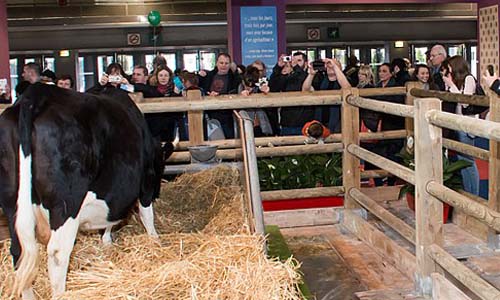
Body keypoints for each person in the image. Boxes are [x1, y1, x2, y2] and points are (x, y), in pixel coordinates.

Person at [441, 55, 480, 195]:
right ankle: (467, 192)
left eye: (450, 67)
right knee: (461, 161)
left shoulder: (468, 79)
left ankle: (473, 193)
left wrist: (451, 85)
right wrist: (449, 85)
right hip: (457, 124)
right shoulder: (456, 81)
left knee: (468, 161)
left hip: (467, 126)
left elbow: (465, 102)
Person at [198, 53, 242, 139]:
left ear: (230, 64)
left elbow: (238, 89)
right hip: (210, 113)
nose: (223, 65)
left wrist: (236, 72)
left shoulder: (234, 78)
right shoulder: (208, 76)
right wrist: (208, 93)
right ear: (217, 63)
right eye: (221, 63)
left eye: (226, 63)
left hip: (227, 114)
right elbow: (201, 90)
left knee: (229, 139)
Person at [302, 58, 351, 133]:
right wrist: (311, 74)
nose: (330, 67)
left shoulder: (345, 80)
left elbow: (347, 89)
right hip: (320, 123)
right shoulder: (320, 80)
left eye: (332, 65)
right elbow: (305, 90)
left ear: (340, 68)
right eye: (328, 65)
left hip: (339, 124)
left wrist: (334, 66)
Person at [273, 52, 309, 135]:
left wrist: (296, 67)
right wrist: (278, 67)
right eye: (293, 60)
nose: (295, 63)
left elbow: (303, 80)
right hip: (286, 123)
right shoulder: (287, 78)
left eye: (299, 61)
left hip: (304, 123)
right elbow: (274, 86)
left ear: (306, 63)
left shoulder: (309, 76)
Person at [238, 65, 273, 137]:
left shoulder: (259, 90)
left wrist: (266, 93)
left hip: (260, 126)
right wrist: (240, 97)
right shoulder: (236, 89)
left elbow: (271, 110)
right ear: (243, 81)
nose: (249, 89)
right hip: (243, 128)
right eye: (247, 85)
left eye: (252, 86)